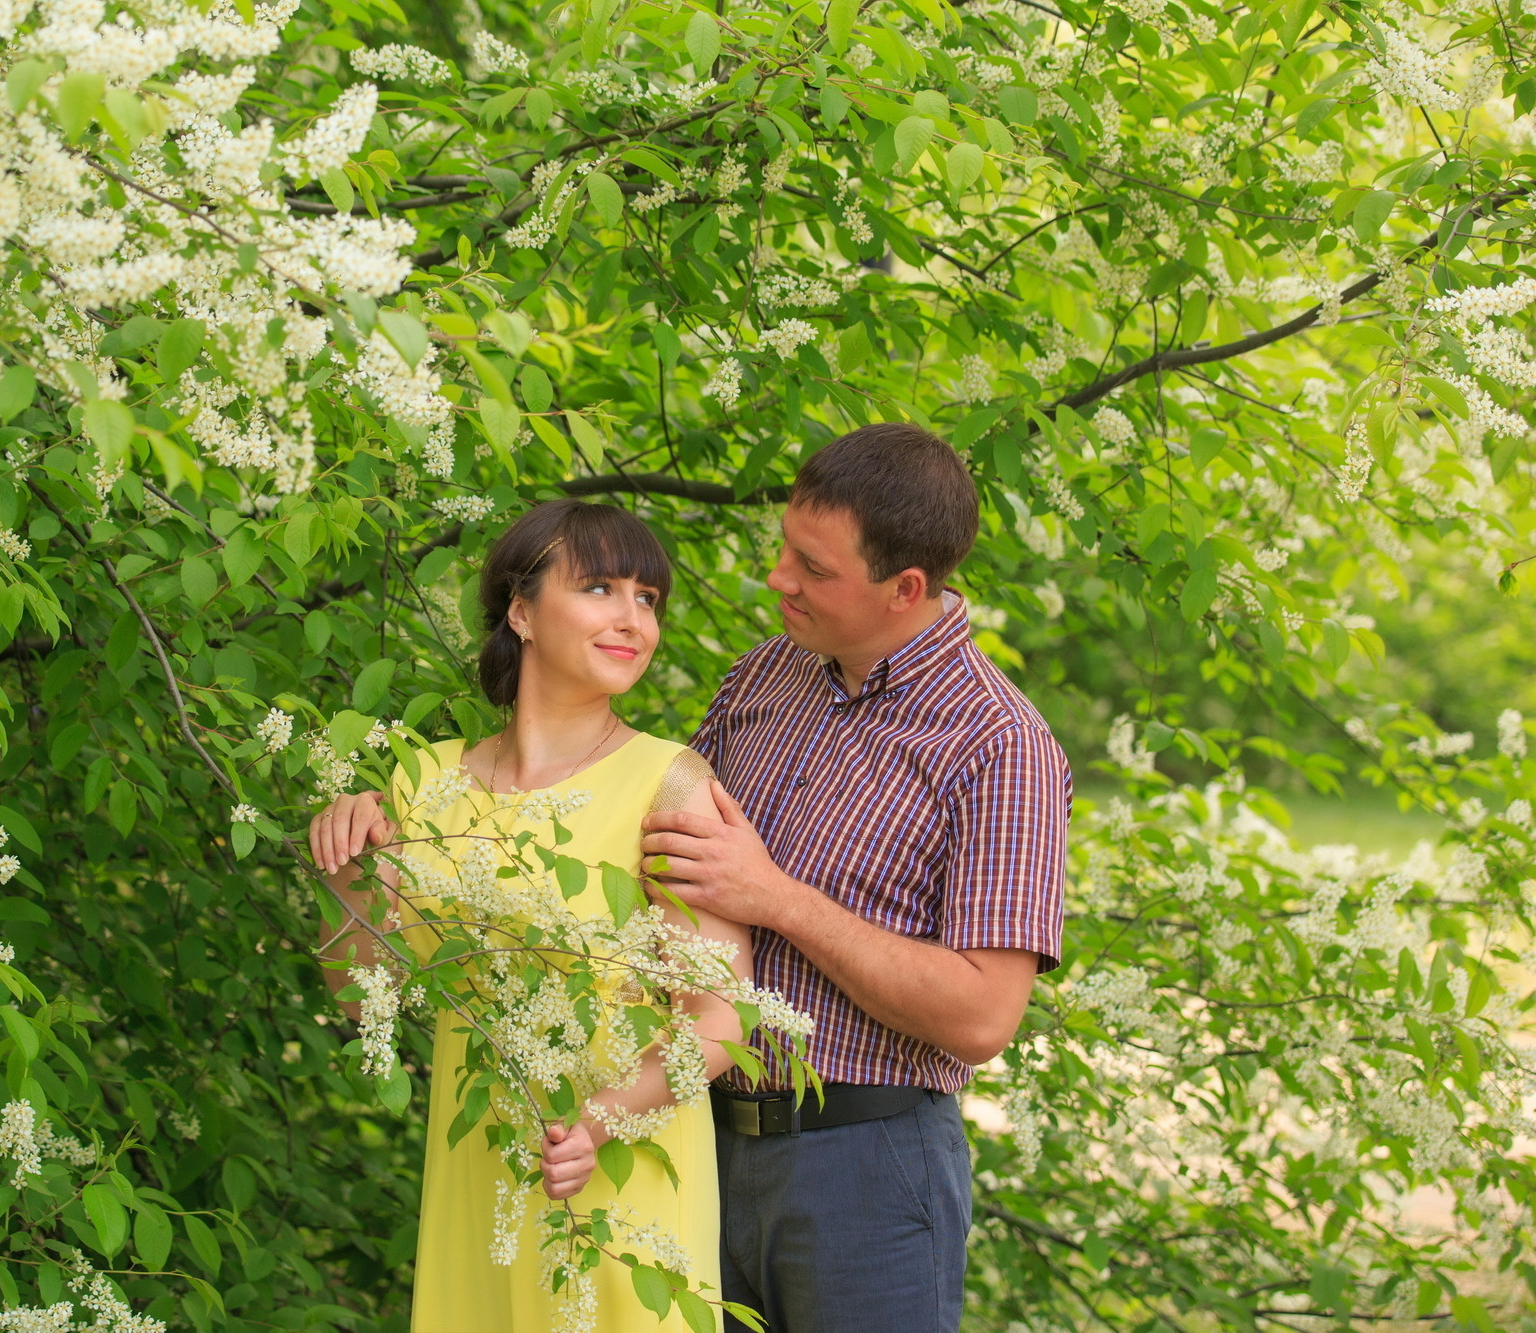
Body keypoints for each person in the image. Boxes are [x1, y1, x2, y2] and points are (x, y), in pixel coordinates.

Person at [640, 422, 1072, 1333]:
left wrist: (777, 899)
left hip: (866, 1170)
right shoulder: (763, 676)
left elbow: (982, 1015)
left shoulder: (1000, 747)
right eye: (786, 549)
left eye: (814, 566)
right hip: (698, 1140)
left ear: (904, 589)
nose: (779, 578)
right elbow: (659, 861)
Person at [309, 500, 751, 1332]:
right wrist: (347, 870)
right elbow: (361, 995)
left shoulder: (672, 783)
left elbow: (721, 1018)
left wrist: (602, 1116)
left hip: (618, 1180)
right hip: (476, 1178)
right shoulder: (422, 782)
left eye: (647, 598)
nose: (632, 619)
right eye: (599, 588)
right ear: (521, 610)